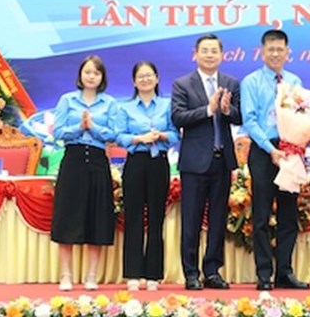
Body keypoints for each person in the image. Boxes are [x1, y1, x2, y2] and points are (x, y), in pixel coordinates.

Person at [171, 34, 241, 291]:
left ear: (222, 55)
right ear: (196, 54)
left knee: (218, 220)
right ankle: (190, 273)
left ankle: (212, 271)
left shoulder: (231, 83)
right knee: (190, 220)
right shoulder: (183, 84)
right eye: (205, 51)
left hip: (222, 162)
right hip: (194, 163)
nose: (210, 55)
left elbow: (239, 116)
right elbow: (178, 117)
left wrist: (225, 110)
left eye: (214, 51)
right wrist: (208, 110)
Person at [241, 29, 310, 290]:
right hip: (263, 152)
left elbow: (303, 114)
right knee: (261, 215)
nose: (275, 53)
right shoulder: (251, 82)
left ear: (287, 52)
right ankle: (263, 274)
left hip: (290, 150)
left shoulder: (294, 80)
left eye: (280, 49)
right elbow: (250, 120)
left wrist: (301, 138)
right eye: (271, 49)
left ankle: (285, 272)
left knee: (288, 214)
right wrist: (270, 148)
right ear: (262, 52)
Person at [51, 55, 117, 291]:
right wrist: (78, 127)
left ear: (102, 77)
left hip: (98, 161)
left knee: (96, 217)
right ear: (80, 75)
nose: (91, 76)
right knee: (67, 217)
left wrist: (94, 127)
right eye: (87, 72)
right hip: (74, 161)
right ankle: (66, 274)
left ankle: (91, 275)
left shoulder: (109, 103)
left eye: (96, 73)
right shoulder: (67, 100)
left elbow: (113, 134)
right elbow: (58, 131)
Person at [113, 61, 179, 292]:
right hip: (135, 163)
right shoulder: (125, 108)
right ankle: (132, 273)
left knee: (155, 218)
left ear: (157, 78)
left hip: (159, 163)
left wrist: (161, 135)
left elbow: (175, 134)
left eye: (149, 75)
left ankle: (153, 274)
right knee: (133, 218)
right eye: (140, 76)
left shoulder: (167, 105)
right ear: (134, 81)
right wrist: (139, 139)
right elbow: (118, 136)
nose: (145, 80)